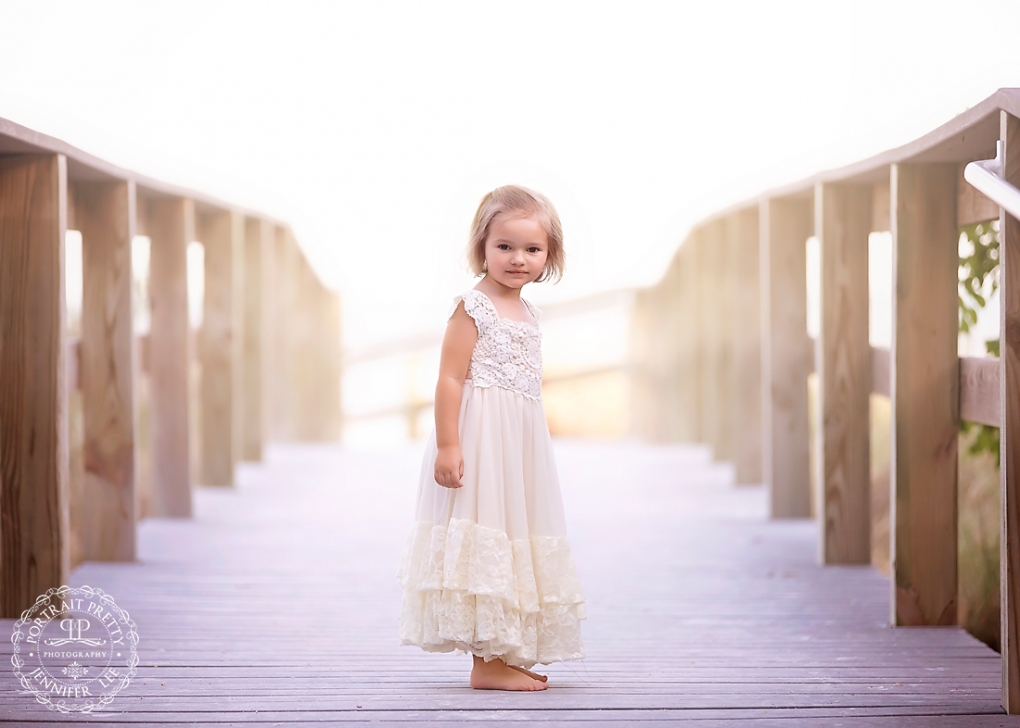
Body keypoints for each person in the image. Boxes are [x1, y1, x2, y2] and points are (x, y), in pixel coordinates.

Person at [396, 185, 586, 691]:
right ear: (482, 246)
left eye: (532, 249)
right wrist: (449, 444)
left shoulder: (530, 313)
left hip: (518, 445)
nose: (517, 259)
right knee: (486, 528)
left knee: (514, 531)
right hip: (480, 439)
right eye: (504, 246)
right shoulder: (473, 307)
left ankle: (505, 651)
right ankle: (486, 663)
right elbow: (449, 378)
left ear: (550, 256)